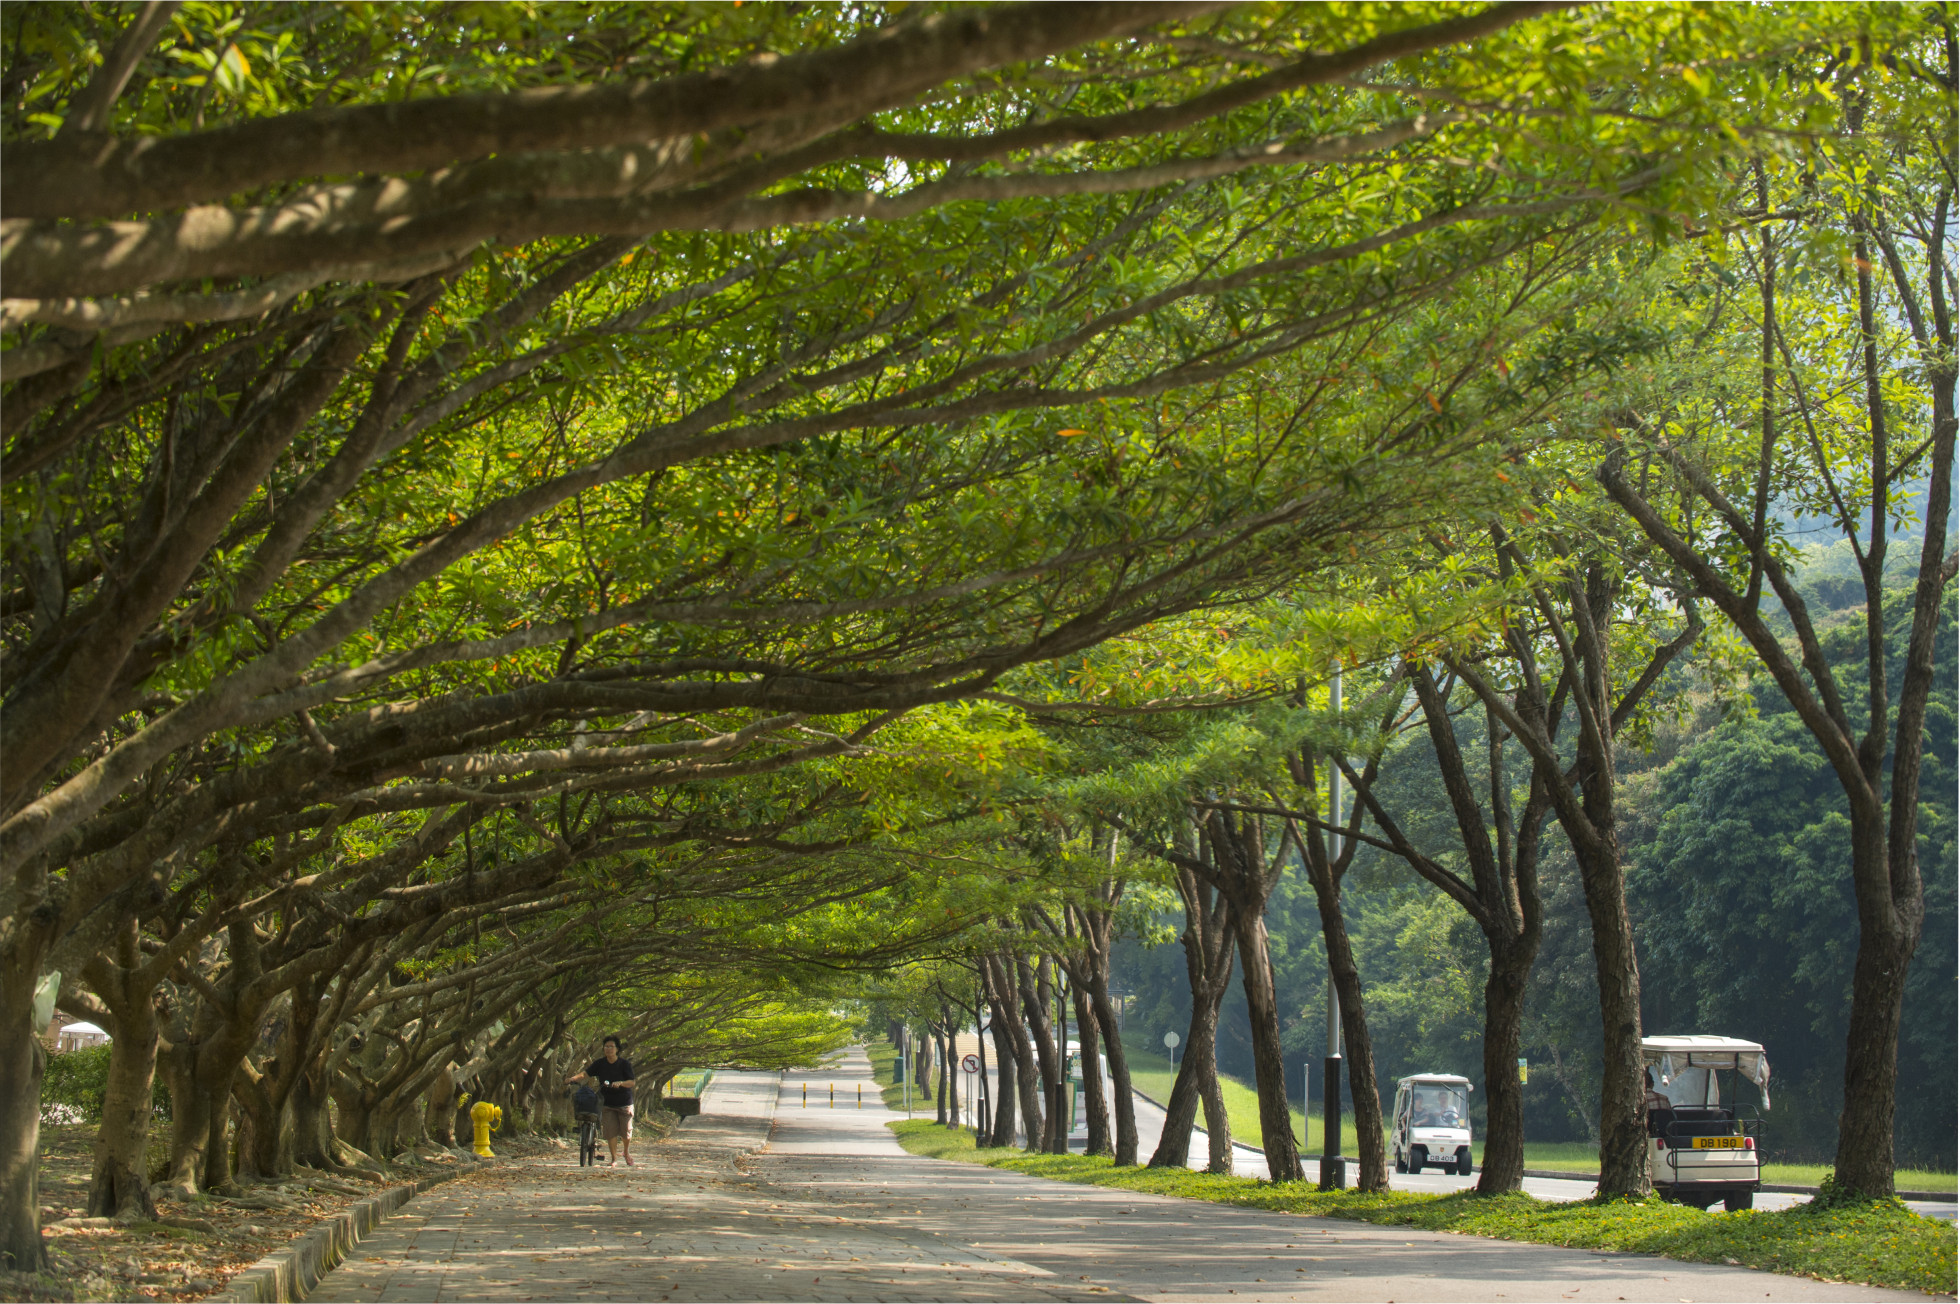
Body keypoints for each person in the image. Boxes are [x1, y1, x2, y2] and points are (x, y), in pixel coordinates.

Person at [568, 1036, 637, 1167]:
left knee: (626, 1133)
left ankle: (626, 1152)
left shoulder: (624, 1064)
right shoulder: (599, 1064)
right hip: (606, 1102)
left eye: (611, 1046)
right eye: (606, 1046)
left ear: (617, 1049)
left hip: (624, 1103)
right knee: (610, 1132)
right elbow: (585, 1074)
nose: (608, 1049)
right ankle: (614, 1158)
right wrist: (572, 1079)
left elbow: (632, 1082)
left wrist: (621, 1083)